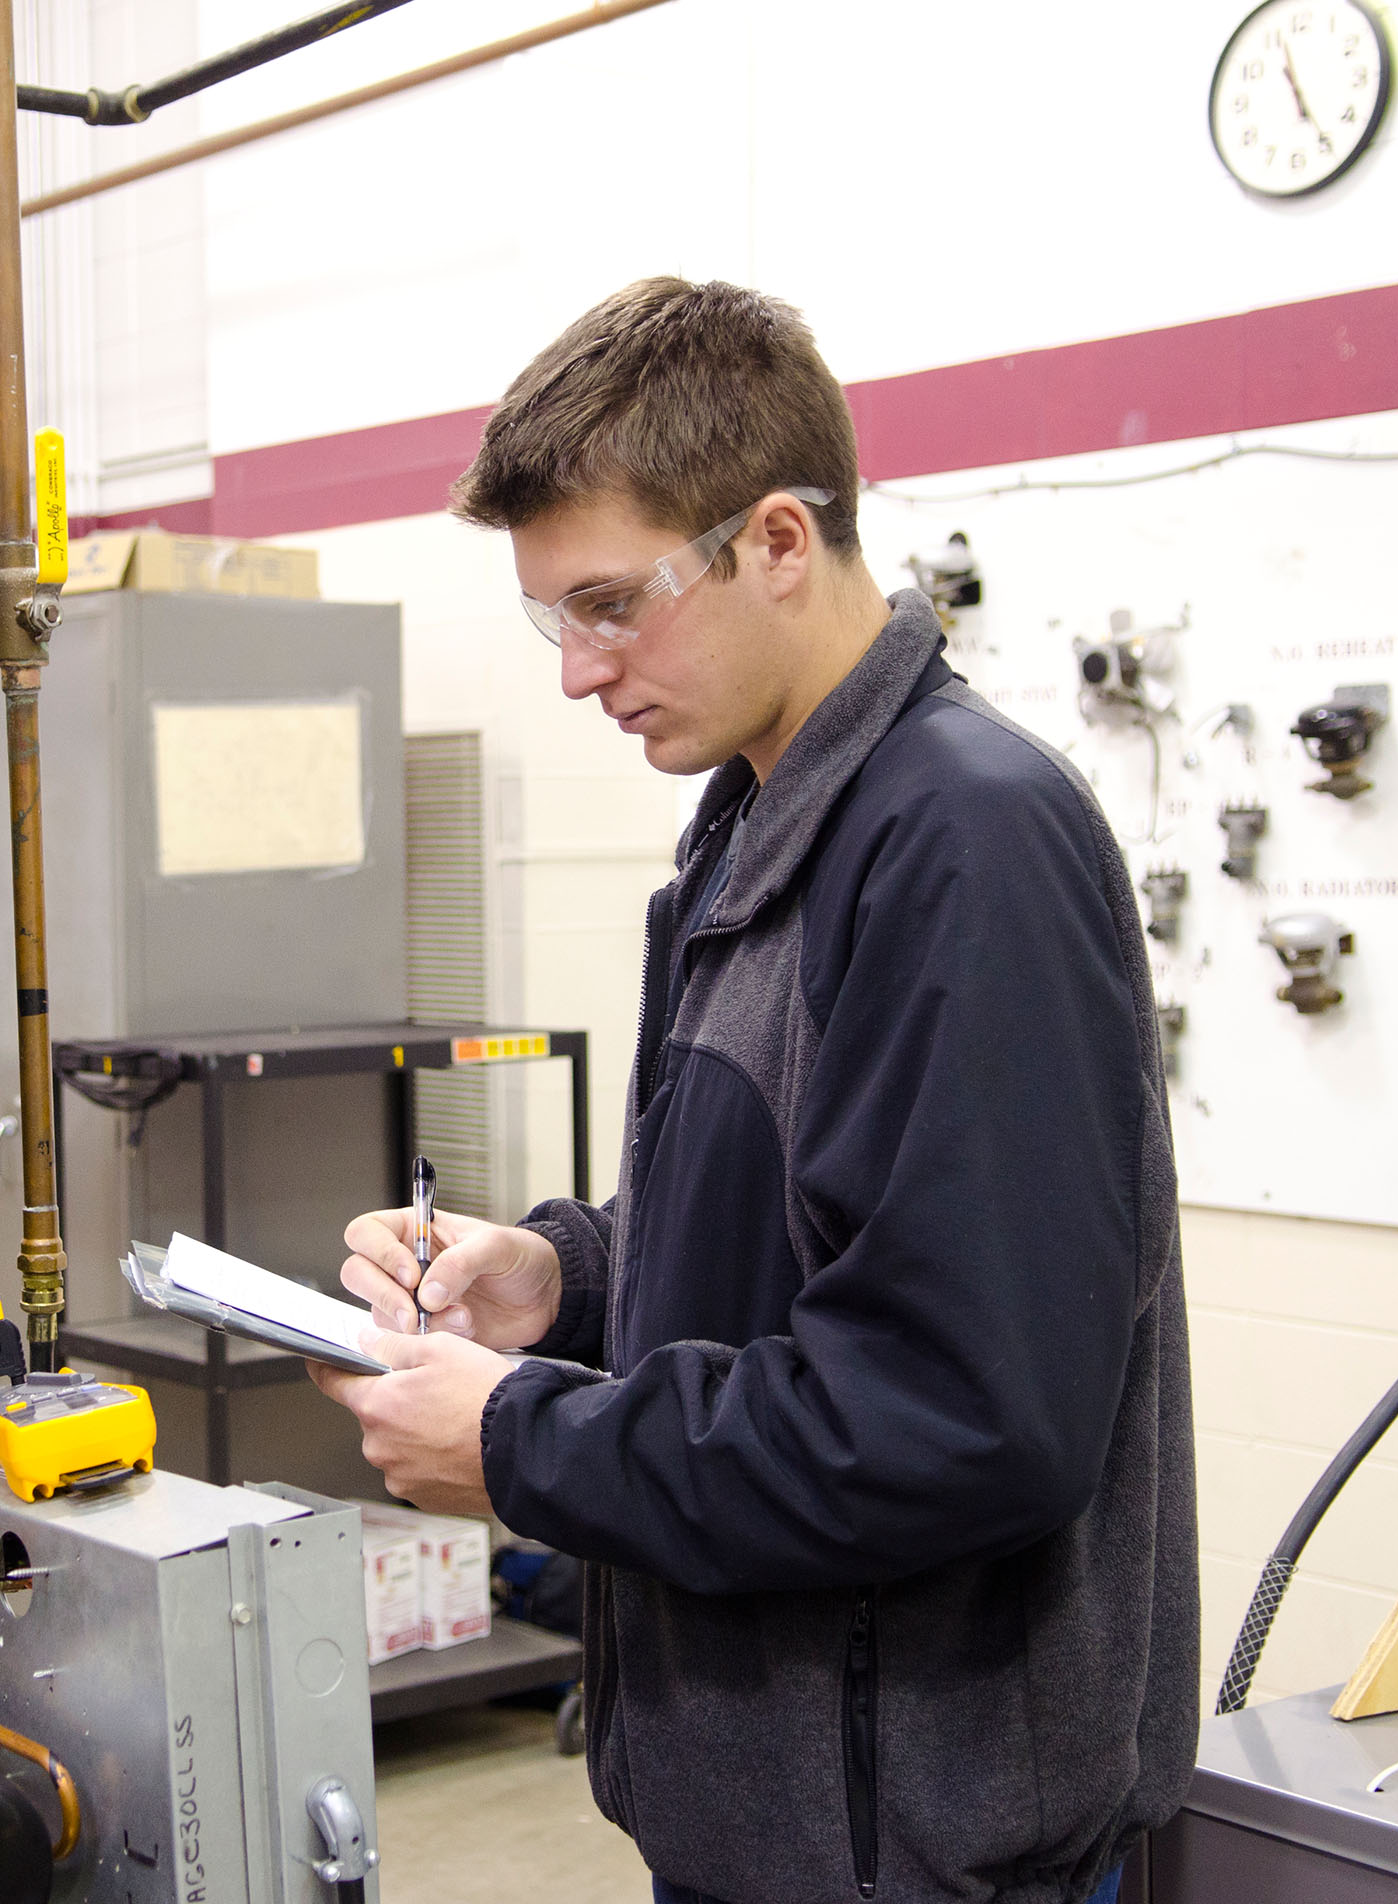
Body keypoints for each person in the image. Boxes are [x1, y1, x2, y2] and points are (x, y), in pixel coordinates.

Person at [310, 281, 1196, 1904]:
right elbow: (800, 1225)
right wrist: (565, 1271)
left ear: (777, 538)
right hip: (775, 1811)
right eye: (551, 618)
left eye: (609, 605)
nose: (580, 672)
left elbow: (957, 1413)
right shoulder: (753, 820)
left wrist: (527, 1442)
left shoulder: (965, 841)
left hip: (923, 1846)